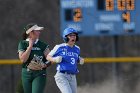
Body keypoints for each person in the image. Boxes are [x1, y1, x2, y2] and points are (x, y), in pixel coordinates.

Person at [47, 27, 84, 93]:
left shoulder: (77, 48)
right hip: (62, 75)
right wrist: (54, 59)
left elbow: (74, 59)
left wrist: (79, 60)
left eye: (74, 35)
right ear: (65, 37)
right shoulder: (59, 47)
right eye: (70, 35)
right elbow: (48, 56)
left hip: (72, 76)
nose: (73, 37)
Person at [18, 23, 50, 93]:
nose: (39, 32)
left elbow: (50, 59)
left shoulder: (43, 45)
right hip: (26, 73)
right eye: (37, 30)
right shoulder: (23, 43)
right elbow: (23, 60)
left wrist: (45, 65)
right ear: (31, 32)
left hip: (40, 73)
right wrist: (30, 46)